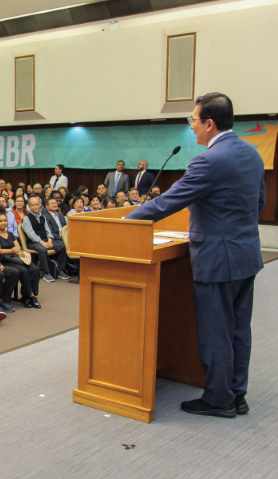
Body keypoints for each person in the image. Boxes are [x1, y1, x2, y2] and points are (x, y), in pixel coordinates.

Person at [126, 92, 265, 418]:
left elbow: (167, 203)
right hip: (246, 254)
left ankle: (219, 399)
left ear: (209, 124)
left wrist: (125, 221)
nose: (191, 127)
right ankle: (236, 393)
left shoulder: (209, 160)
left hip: (218, 258)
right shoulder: (252, 154)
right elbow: (257, 205)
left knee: (216, 330)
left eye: (193, 120)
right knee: (238, 329)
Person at [0, 211, 41, 308]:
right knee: (23, 270)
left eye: (5, 221)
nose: (3, 223)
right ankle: (31, 296)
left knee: (35, 269)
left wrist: (16, 250)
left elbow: (18, 246)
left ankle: (27, 296)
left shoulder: (10, 234)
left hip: (16, 258)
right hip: (4, 260)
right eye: (0, 221)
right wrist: (11, 250)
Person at [21, 196, 68, 282]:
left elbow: (48, 230)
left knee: (62, 246)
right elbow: (31, 234)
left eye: (37, 204)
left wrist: (50, 240)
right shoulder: (27, 218)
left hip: (45, 240)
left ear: (40, 205)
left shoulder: (43, 217)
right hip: (33, 242)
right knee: (42, 250)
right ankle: (46, 273)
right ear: (29, 207)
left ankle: (61, 270)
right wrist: (42, 243)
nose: (35, 207)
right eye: (33, 205)